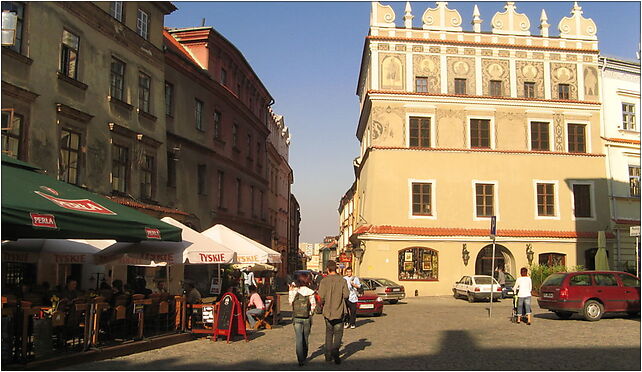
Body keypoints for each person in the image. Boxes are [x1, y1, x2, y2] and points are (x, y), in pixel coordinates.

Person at [317, 260, 349, 364]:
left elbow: (320, 296)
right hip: (339, 310)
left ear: (327, 269)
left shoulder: (324, 281)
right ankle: (335, 350)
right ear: (336, 269)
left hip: (327, 311)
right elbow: (346, 295)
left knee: (329, 333)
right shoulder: (342, 280)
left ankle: (328, 355)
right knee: (338, 333)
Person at [288, 271, 316, 366]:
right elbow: (313, 305)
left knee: (298, 338)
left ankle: (300, 359)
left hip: (296, 316)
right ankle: (304, 355)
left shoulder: (293, 290)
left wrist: (290, 290)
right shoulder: (310, 291)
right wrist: (310, 313)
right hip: (307, 317)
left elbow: (290, 302)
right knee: (305, 337)